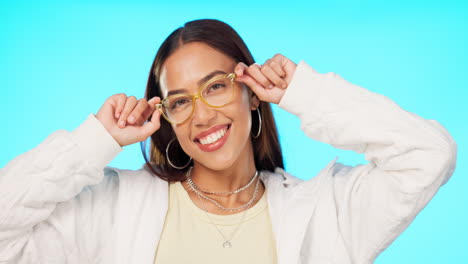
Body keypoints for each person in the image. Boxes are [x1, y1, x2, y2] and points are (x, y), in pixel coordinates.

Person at [0, 19, 457, 264]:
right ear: (167, 120)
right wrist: (93, 141)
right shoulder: (113, 209)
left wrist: (307, 94)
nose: (201, 115)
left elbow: (429, 155)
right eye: (179, 101)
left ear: (252, 94)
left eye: (215, 86)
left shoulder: (326, 212)